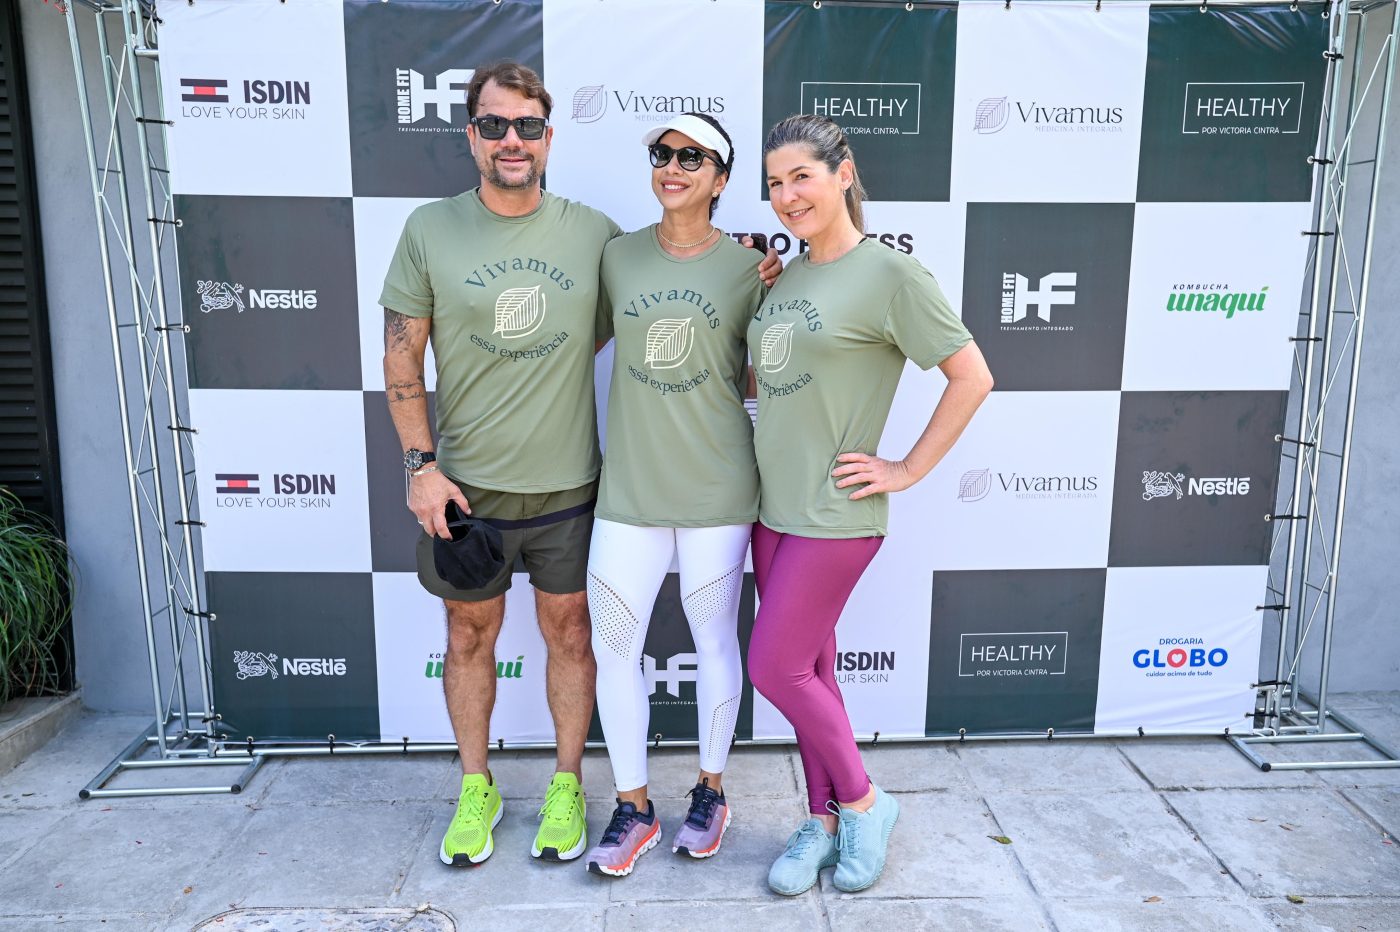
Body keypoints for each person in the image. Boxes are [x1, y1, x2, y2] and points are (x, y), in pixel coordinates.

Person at [379, 63, 780, 869]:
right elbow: (402, 357)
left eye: (527, 126)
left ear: (549, 138)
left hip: (577, 486)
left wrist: (755, 263)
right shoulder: (435, 229)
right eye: (494, 125)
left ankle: (579, 787)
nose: (512, 140)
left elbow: (698, 329)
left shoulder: (604, 237)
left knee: (575, 637)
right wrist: (420, 465)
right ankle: (478, 788)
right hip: (470, 485)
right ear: (472, 135)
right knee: (467, 633)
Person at [748, 114, 993, 896]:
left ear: (843, 173)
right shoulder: (787, 277)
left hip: (835, 513)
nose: (786, 196)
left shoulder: (891, 275)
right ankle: (821, 821)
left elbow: (972, 376)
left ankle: (864, 801)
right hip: (769, 510)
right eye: (775, 183)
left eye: (802, 177)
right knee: (813, 669)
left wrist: (906, 468)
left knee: (774, 666)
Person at [582, 114, 763, 877]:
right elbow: (571, 348)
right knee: (612, 648)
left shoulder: (753, 269)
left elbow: (768, 377)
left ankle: (711, 792)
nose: (674, 165)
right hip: (628, 491)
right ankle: (633, 807)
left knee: (713, 643)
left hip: (719, 489)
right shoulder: (616, 257)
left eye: (693, 156)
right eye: (663, 154)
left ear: (721, 178)